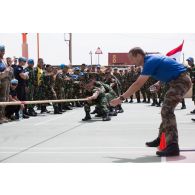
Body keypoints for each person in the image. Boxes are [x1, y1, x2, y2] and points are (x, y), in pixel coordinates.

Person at [110, 47, 191, 157]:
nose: (130, 61)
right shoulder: (151, 59)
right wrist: (159, 83)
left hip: (181, 82)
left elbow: (138, 84)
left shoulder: (149, 62)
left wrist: (121, 99)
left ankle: (173, 146)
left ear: (138, 55)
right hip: (177, 80)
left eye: (131, 58)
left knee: (167, 111)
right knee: (166, 110)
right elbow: (169, 70)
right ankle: (161, 138)